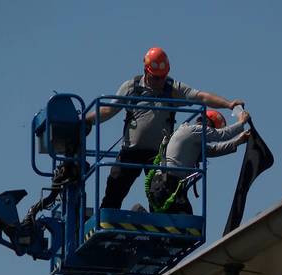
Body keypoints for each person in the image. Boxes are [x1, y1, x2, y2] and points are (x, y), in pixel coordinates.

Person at [85, 46, 244, 209]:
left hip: (157, 154)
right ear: (146, 71)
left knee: (160, 192)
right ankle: (106, 224)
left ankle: (159, 229)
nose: (160, 81)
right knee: (115, 186)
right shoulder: (131, 87)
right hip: (130, 151)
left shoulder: (172, 88)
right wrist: (85, 120)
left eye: (163, 77)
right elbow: (108, 110)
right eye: (155, 78)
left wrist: (229, 104)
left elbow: (201, 96)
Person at [147, 109, 251, 214]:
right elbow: (222, 134)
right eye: (212, 129)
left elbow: (214, 150)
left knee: (176, 222)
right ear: (208, 124)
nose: (211, 133)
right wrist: (242, 122)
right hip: (167, 184)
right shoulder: (194, 130)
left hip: (165, 185)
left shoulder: (191, 139)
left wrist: (239, 141)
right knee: (187, 222)